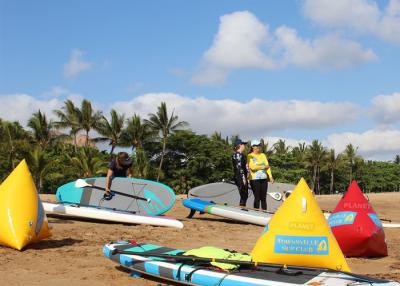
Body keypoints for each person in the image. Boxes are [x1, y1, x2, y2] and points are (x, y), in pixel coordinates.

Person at [247, 139, 274, 210]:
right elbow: (253, 167)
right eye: (257, 145)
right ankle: (256, 213)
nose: (259, 147)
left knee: (263, 198)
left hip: (264, 179)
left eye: (259, 145)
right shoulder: (250, 156)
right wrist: (263, 167)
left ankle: (264, 213)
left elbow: (268, 167)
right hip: (254, 179)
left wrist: (270, 176)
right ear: (253, 147)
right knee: (257, 197)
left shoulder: (263, 155)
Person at [232, 138, 248, 206]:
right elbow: (239, 167)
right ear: (240, 145)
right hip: (240, 176)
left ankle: (242, 209)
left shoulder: (243, 155)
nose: (244, 146)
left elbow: (244, 167)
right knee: (243, 195)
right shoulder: (237, 154)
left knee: (245, 195)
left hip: (243, 176)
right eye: (243, 144)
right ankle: (242, 210)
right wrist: (243, 178)